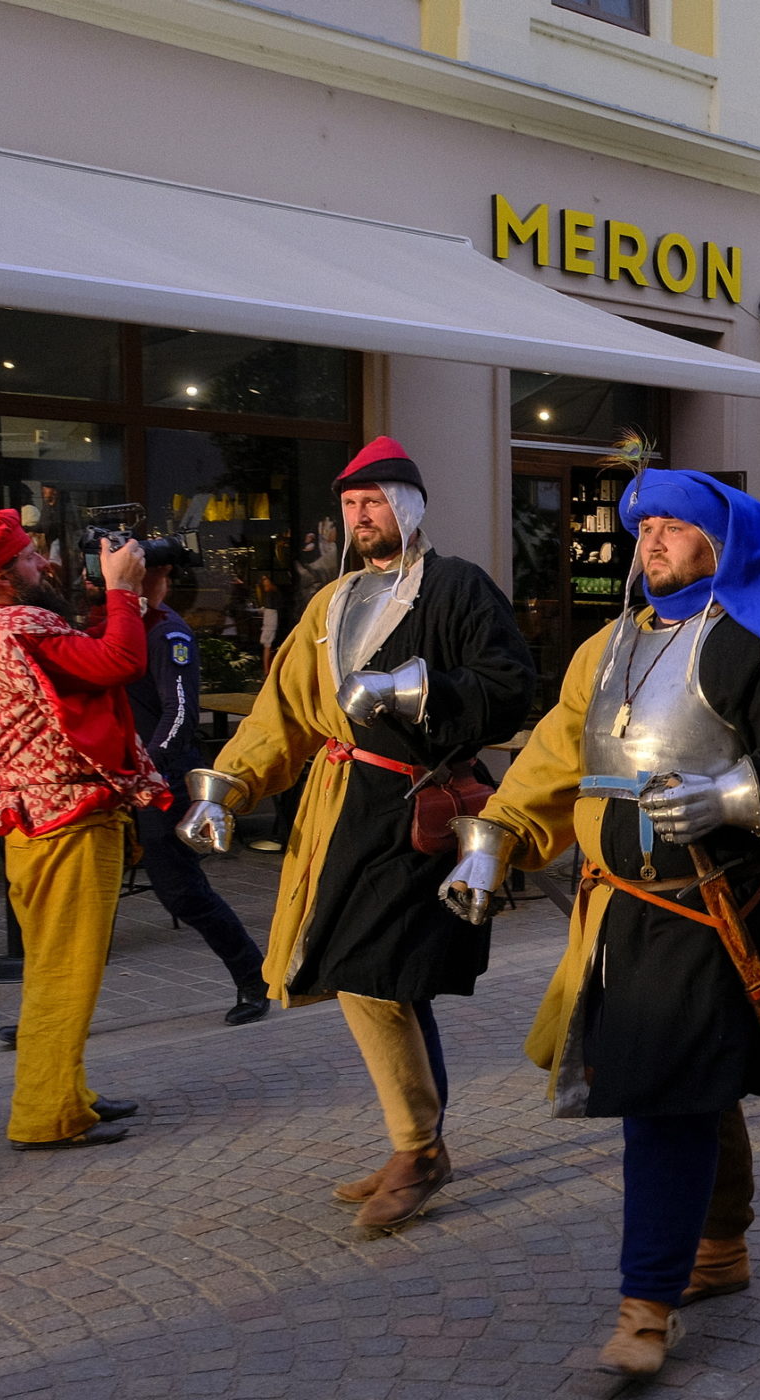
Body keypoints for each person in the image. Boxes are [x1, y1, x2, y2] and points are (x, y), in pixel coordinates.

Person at [437, 462, 760, 1379]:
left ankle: (645, 1304)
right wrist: (493, 840)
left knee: (665, 1105)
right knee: (694, 1087)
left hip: (715, 914)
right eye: (643, 527)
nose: (650, 541)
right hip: (619, 913)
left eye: (671, 526)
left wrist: (733, 795)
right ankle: (720, 1248)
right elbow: (557, 755)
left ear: (719, 541)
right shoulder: (608, 646)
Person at [175, 437, 535, 1233]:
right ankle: (421, 1142)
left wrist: (418, 689)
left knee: (377, 976)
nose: (360, 515)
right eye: (349, 504)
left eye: (374, 501)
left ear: (408, 506)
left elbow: (511, 690)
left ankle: (418, 1147)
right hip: (341, 807)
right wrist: (229, 785)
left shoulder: (458, 588)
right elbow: (284, 715)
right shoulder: (329, 605)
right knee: (376, 978)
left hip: (419, 808)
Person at [0, 513, 166, 1150]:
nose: (47, 566)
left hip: (35, 821)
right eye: (32, 559)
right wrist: (121, 591)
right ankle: (46, 1115)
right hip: (66, 821)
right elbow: (118, 662)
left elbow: (88, 663)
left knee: (51, 969)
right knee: (66, 974)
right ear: (0, 578)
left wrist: (135, 600)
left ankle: (68, 1092)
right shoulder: (21, 623)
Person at [120, 543, 268, 1025]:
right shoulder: (111, 629)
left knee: (181, 893)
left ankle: (252, 976)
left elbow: (180, 713)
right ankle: (45, 1012)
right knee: (82, 899)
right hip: (115, 781)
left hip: (161, 780)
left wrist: (149, 765)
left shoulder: (168, 633)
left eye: (149, 577)